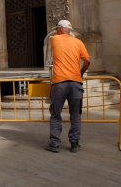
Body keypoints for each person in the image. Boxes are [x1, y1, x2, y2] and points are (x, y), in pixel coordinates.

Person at [45, 20, 91, 153]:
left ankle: (54, 144)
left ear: (59, 29)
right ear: (69, 30)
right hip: (76, 83)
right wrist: (80, 74)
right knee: (75, 115)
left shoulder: (54, 39)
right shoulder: (78, 42)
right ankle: (75, 144)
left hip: (59, 83)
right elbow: (87, 60)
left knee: (55, 114)